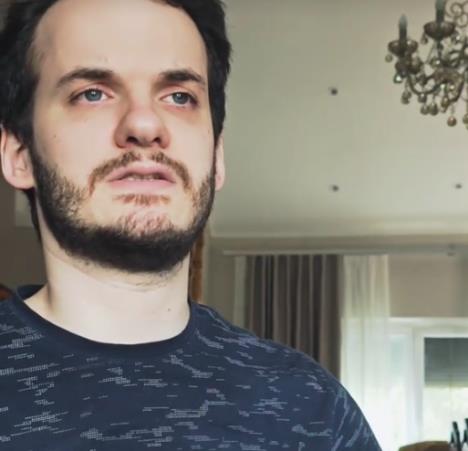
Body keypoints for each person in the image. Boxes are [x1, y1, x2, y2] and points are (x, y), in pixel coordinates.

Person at [0, 0, 382, 449]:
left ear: (216, 157)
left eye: (179, 97)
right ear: (19, 154)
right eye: (93, 93)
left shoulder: (314, 409)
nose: (145, 124)